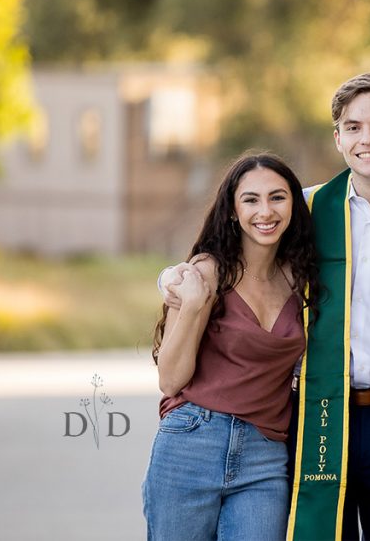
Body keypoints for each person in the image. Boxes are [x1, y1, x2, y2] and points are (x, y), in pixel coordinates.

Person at [161, 72, 370, 540]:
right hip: (318, 414)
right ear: (338, 138)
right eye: (353, 127)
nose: (367, 139)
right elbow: (236, 255)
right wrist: (173, 278)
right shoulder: (305, 209)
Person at [142, 153, 320, 541]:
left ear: (294, 204)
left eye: (278, 197)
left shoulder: (301, 277)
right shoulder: (207, 272)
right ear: (232, 211)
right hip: (192, 442)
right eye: (251, 199)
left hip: (265, 454)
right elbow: (171, 380)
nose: (265, 211)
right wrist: (190, 304)